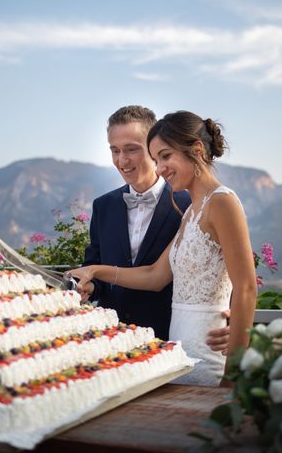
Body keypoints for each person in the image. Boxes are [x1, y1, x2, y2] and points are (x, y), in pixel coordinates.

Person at [70, 110, 257, 386]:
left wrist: (234, 375)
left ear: (196, 149)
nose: (159, 168)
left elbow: (246, 287)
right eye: (157, 159)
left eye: (166, 156)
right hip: (177, 354)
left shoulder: (222, 202)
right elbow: (155, 276)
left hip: (209, 353)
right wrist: (94, 270)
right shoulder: (191, 212)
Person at [80, 105, 229, 352]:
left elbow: (226, 269)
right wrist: (90, 286)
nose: (122, 160)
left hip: (175, 342)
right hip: (112, 345)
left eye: (131, 149)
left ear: (152, 149)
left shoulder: (191, 204)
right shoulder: (102, 206)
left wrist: (235, 320)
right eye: (115, 150)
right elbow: (96, 273)